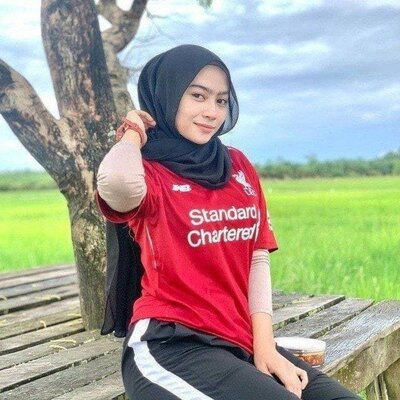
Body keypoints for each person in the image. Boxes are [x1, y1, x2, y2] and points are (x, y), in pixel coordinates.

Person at [96, 44, 361, 400]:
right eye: (197, 96)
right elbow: (117, 185)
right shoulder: (148, 172)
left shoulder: (237, 166)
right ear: (166, 96)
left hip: (239, 340)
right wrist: (133, 130)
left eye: (221, 100)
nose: (211, 111)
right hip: (170, 346)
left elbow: (257, 257)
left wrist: (265, 347)